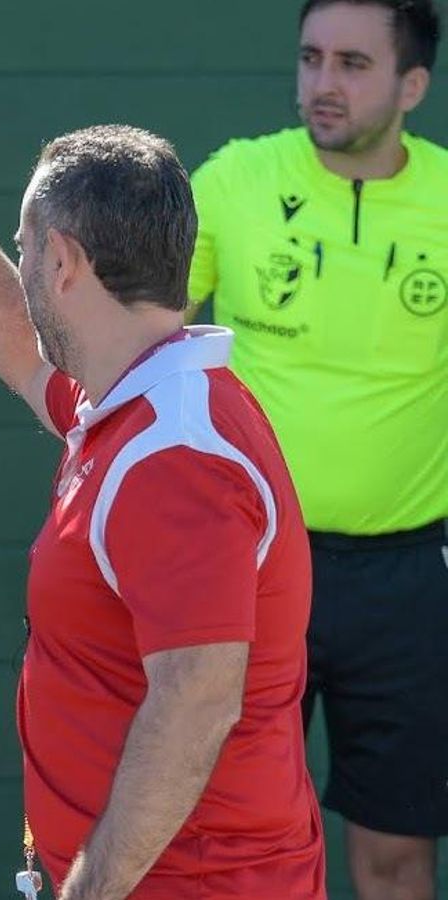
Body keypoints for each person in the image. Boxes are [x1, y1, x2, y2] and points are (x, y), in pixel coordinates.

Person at [0, 64, 326, 898]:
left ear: (64, 262)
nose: (21, 266)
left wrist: (88, 890)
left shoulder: (177, 454)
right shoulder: (135, 402)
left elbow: (197, 702)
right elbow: (20, 346)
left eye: (28, 248)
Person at [187, 2, 448, 896]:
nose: (323, 84)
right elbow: (137, 336)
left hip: (410, 581)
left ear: (412, 85)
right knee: (236, 847)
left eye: (352, 64)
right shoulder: (234, 180)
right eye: (310, 59)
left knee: (398, 856)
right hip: (255, 570)